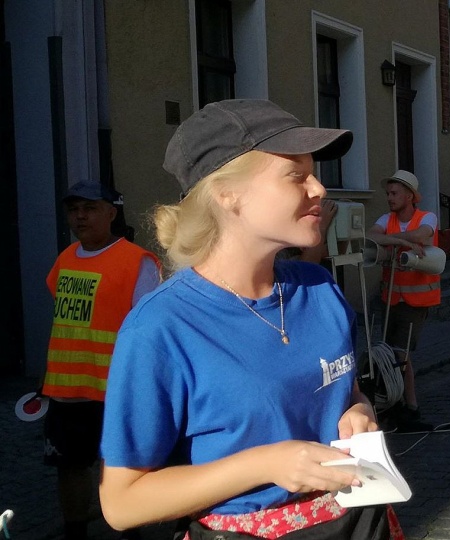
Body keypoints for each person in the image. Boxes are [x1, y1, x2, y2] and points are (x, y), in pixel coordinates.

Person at [98, 99, 403, 539]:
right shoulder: (161, 327)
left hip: (360, 523)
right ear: (227, 194)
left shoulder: (320, 290)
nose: (319, 189)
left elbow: (347, 391)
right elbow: (122, 503)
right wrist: (266, 464)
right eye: (297, 175)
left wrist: (359, 408)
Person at [42, 180, 160, 540]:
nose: (80, 216)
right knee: (69, 467)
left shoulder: (136, 261)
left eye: (90, 208)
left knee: (121, 466)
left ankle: (130, 530)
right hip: (66, 391)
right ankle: (75, 530)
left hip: (116, 388)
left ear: (111, 212)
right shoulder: (65, 258)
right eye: (74, 209)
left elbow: (148, 326)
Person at [367, 170, 439, 433]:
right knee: (389, 354)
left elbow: (423, 235)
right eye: (388, 193)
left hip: (416, 301)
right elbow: (372, 237)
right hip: (390, 299)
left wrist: (394, 242)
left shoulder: (427, 217)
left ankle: (410, 407)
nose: (389, 198)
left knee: (400, 354)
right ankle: (397, 404)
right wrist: (399, 240)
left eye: (394, 193)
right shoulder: (387, 219)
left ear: (410, 195)